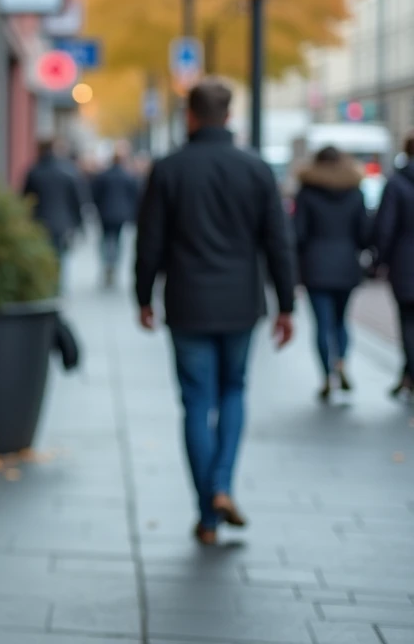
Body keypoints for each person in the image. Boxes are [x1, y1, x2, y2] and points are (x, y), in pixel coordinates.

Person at [134, 77, 295, 546]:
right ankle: (222, 485)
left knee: (195, 402)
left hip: (187, 302)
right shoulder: (256, 170)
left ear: (190, 116)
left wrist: (142, 296)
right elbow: (278, 244)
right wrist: (286, 304)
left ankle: (207, 512)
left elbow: (150, 243)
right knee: (233, 391)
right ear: (228, 117)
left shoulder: (169, 169)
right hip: (241, 303)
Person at [292, 146, 370, 401]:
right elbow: (364, 233)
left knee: (322, 324)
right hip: (346, 264)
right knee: (341, 321)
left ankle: (326, 374)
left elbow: (298, 233)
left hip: (315, 266)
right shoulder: (355, 192)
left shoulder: (307, 193)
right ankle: (341, 363)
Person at [373, 133, 414, 398]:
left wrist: (380, 260)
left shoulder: (397, 183)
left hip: (406, 263)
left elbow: (385, 228)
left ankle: (409, 376)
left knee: (408, 321)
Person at [23, 138, 85, 283]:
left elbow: (25, 199)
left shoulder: (34, 173)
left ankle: (46, 285)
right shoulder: (67, 172)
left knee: (41, 258)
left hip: (39, 222)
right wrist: (78, 224)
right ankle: (58, 287)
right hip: (61, 224)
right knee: (60, 258)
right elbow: (76, 201)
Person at [89, 145, 142, 287]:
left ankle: (107, 264)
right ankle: (114, 265)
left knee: (105, 240)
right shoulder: (129, 177)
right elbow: (135, 197)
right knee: (117, 241)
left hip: (105, 213)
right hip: (121, 215)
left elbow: (95, 195)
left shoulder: (103, 176)